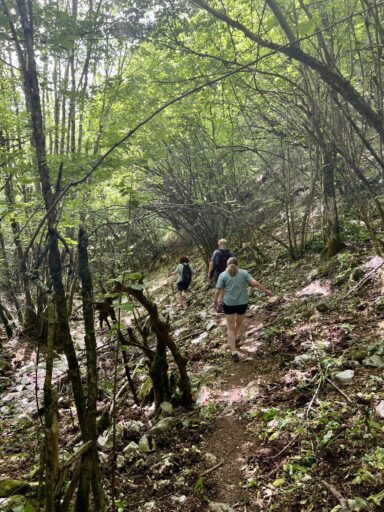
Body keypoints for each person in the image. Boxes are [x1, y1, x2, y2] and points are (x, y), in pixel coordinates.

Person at [213, 257, 272, 362]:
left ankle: (234, 352)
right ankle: (234, 340)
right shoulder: (244, 273)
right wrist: (266, 291)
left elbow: (218, 291)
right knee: (238, 323)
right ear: (237, 264)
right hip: (242, 303)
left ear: (227, 265)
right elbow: (255, 283)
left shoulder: (223, 275)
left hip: (229, 304)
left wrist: (215, 302)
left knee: (230, 328)